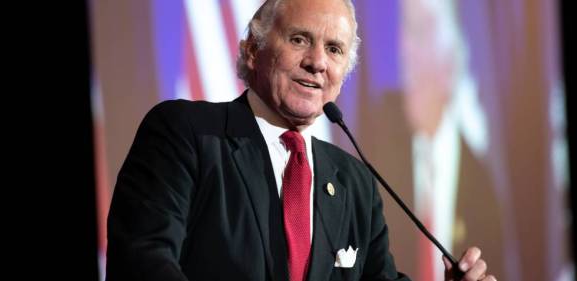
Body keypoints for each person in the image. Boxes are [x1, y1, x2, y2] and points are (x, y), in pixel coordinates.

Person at [105, 0, 497, 280]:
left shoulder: (354, 182)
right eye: (298, 40)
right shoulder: (187, 133)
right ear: (253, 50)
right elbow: (143, 260)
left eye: (334, 49)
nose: (317, 61)